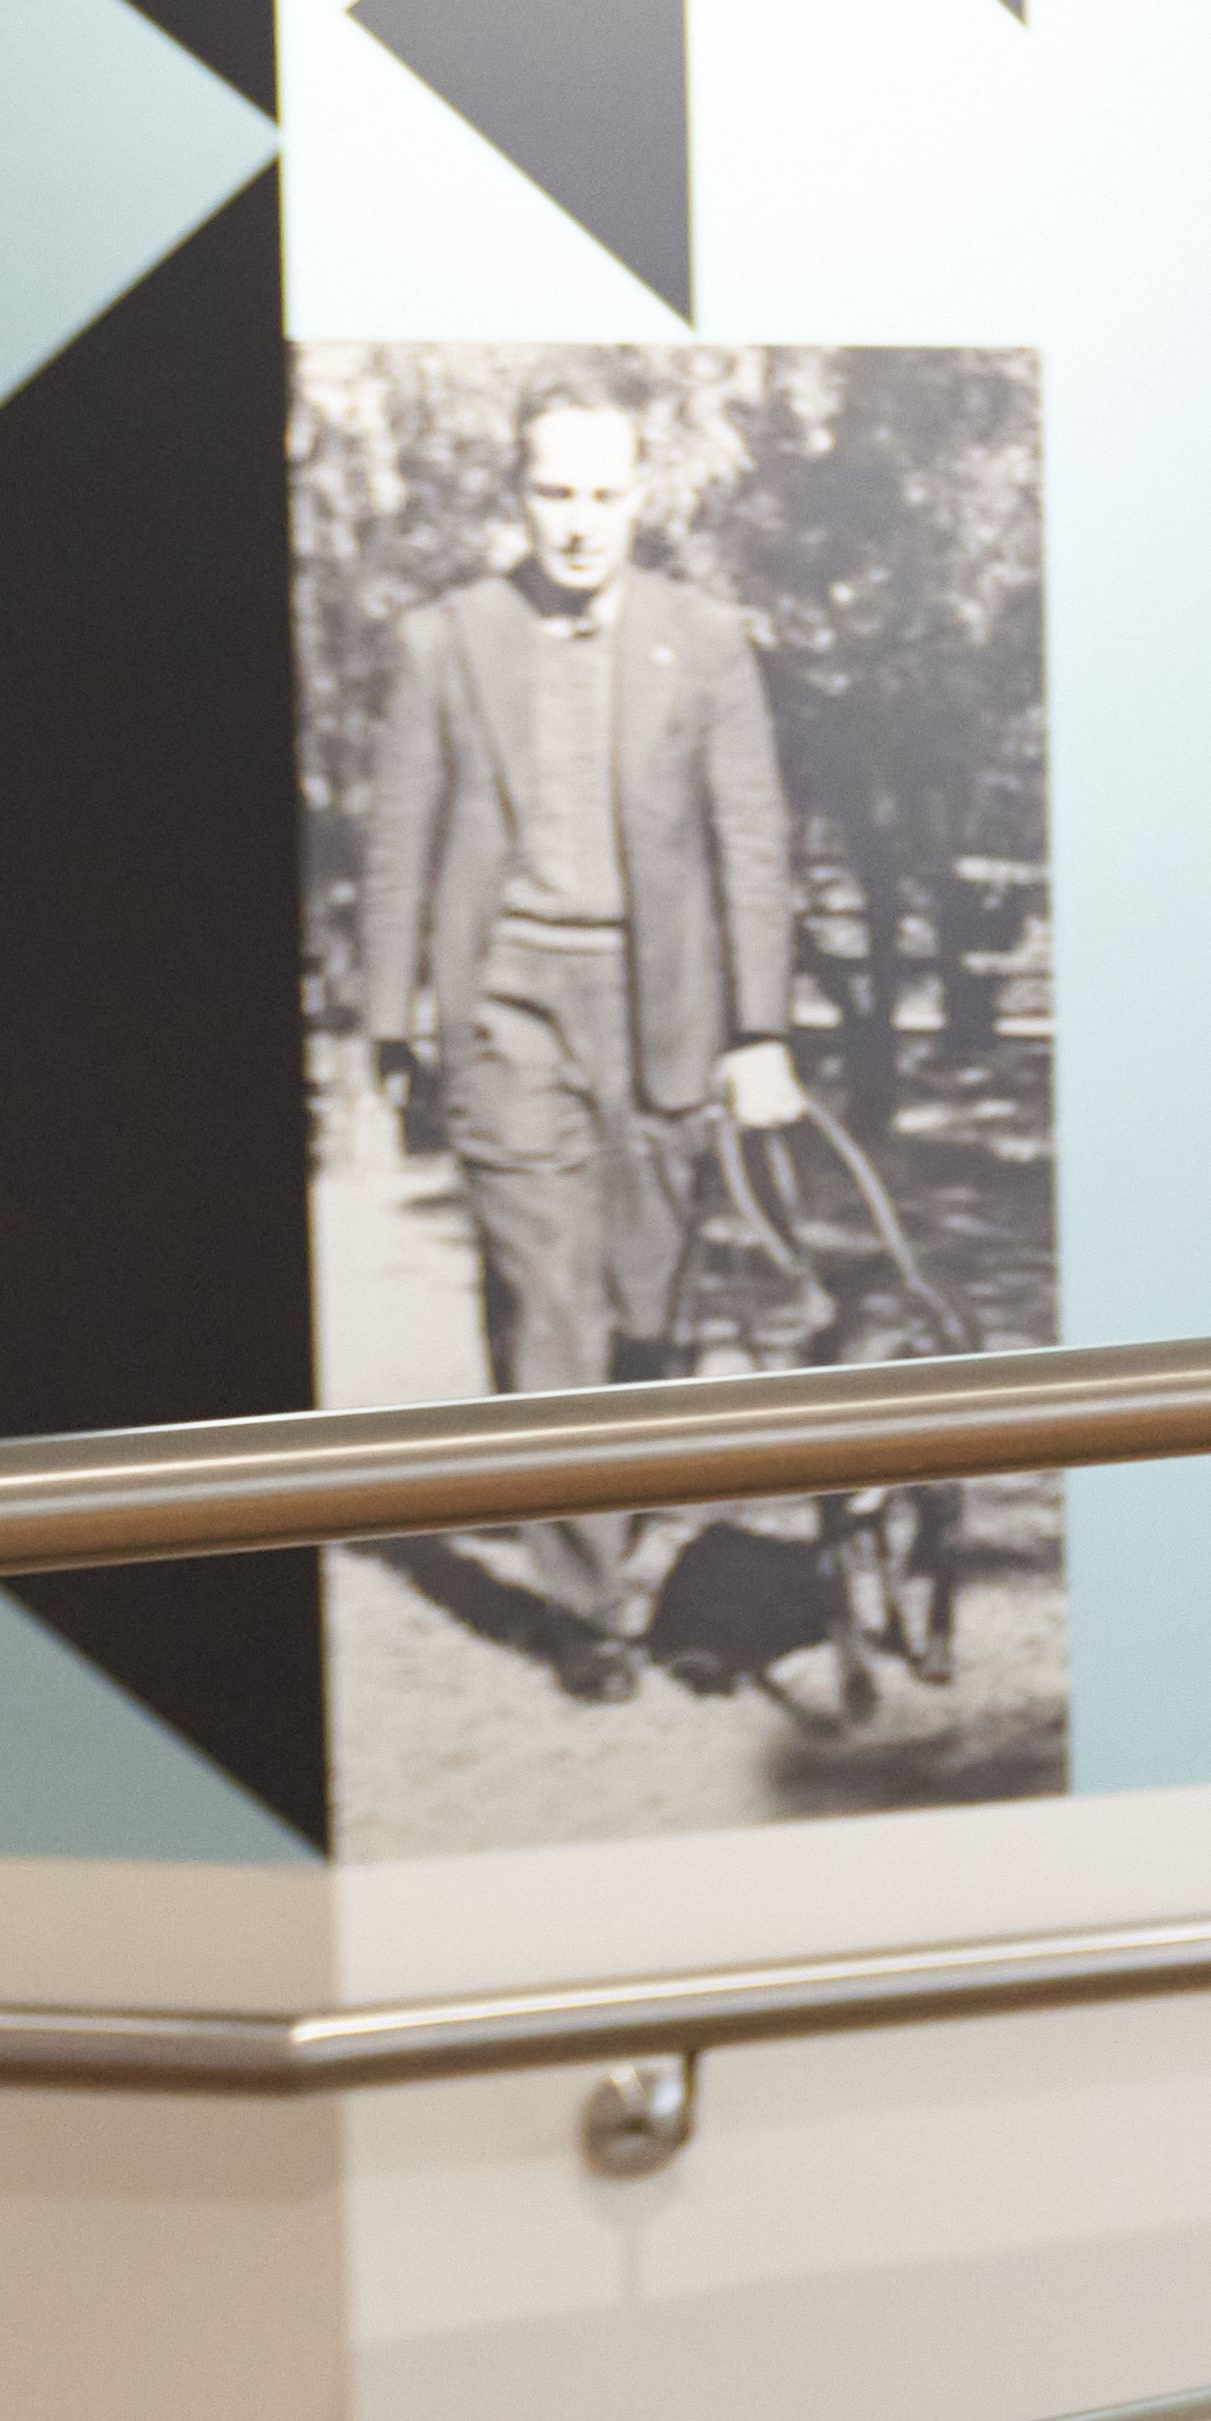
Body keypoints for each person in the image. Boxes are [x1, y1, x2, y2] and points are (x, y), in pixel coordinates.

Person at [348, 385, 807, 1672]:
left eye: (605, 494)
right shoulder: (445, 641)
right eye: (555, 491)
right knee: (548, 1297)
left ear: (643, 497)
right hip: (507, 1006)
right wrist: (392, 1023)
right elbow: (399, 845)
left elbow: (751, 839)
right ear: (518, 492)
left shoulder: (705, 638)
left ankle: (617, 1500)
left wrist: (758, 1030)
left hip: (665, 1008)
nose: (580, 522)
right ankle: (586, 1605)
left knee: (643, 1301)